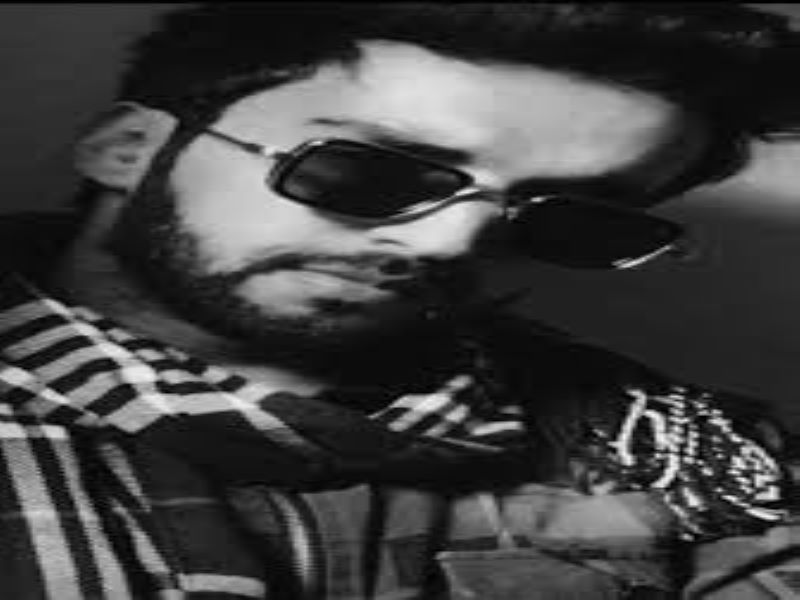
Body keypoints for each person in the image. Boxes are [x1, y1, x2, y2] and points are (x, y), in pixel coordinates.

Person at [4, 2, 800, 598]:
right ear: (128, 148)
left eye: (566, 219)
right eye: (368, 172)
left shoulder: (688, 451)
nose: (447, 243)